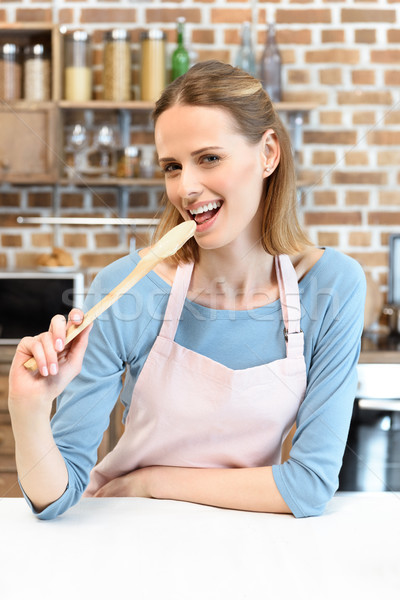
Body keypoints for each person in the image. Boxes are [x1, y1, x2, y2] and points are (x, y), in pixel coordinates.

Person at [8, 60, 366, 520]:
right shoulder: (125, 290)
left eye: (209, 158)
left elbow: (310, 486)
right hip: (132, 533)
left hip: (249, 542)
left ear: (268, 154)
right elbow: (56, 497)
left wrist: (152, 481)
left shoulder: (333, 285)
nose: (187, 188)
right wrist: (28, 408)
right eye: (172, 167)